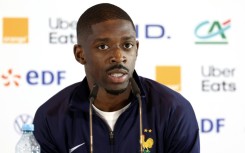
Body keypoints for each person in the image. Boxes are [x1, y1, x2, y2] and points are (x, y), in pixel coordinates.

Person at [33, 3, 200, 153]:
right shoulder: (51, 117)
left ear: (137, 48)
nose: (119, 56)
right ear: (80, 54)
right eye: (103, 46)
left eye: (127, 45)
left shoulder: (172, 110)